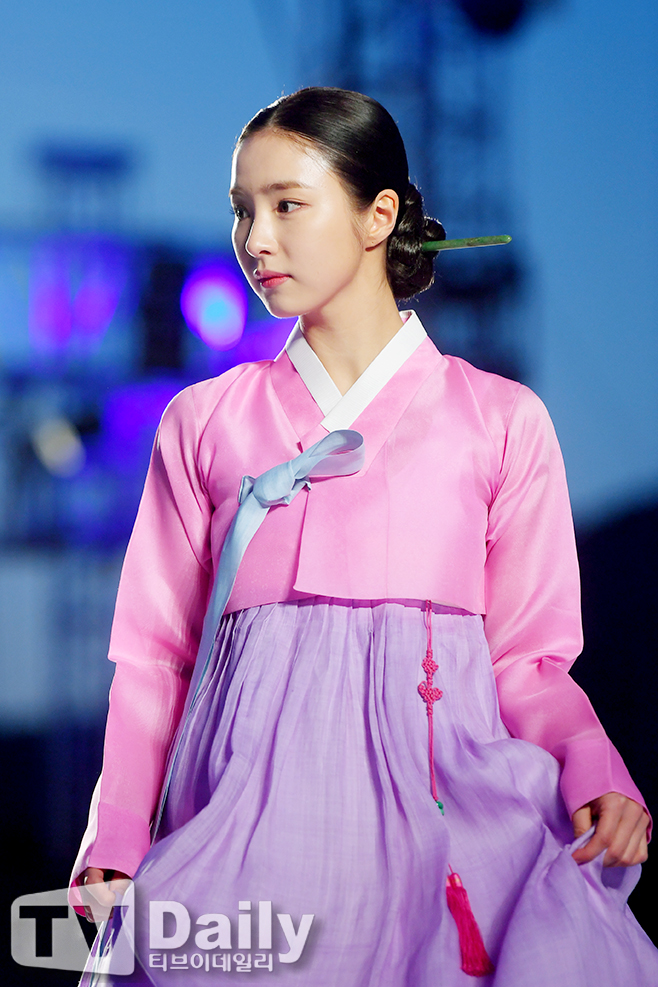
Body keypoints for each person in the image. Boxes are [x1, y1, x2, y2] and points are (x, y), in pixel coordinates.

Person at [70, 87, 657, 985]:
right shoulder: (203, 422)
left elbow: (528, 662)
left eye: (287, 205)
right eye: (242, 210)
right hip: (243, 826)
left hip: (455, 812)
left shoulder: (499, 421)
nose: (255, 239)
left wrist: (593, 766)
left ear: (379, 215)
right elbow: (156, 660)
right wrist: (114, 833)